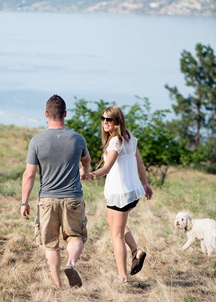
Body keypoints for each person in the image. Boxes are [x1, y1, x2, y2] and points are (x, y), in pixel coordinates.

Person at [20, 95, 92, 289]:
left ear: (46, 114)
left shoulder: (36, 141)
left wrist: (24, 202)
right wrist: (85, 171)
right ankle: (71, 263)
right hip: (73, 198)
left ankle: (58, 283)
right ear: (65, 114)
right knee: (75, 236)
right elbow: (86, 160)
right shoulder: (77, 138)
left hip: (47, 200)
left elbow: (29, 175)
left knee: (50, 243)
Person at [84, 105, 153, 283]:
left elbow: (107, 168)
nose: (105, 122)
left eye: (109, 120)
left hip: (120, 194)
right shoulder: (129, 137)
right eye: (103, 119)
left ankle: (122, 277)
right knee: (114, 224)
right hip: (131, 192)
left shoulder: (116, 142)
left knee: (116, 235)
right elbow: (140, 165)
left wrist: (89, 176)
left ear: (117, 121)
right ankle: (137, 252)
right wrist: (145, 184)